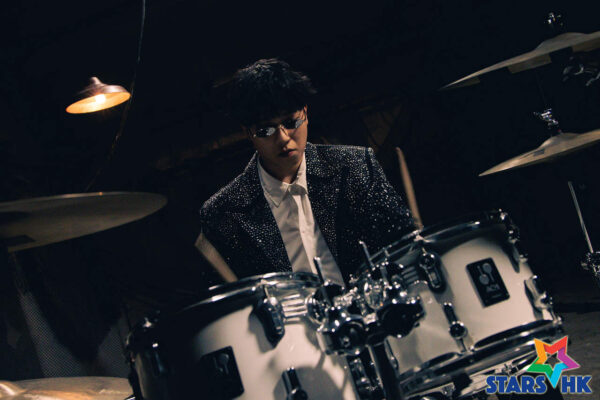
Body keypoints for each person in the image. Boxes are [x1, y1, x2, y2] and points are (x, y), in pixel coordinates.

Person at [197, 58, 414, 286]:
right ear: (248, 133)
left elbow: (405, 246)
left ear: (305, 113)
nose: (283, 138)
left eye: (291, 123)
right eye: (266, 130)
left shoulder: (354, 166)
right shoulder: (222, 212)